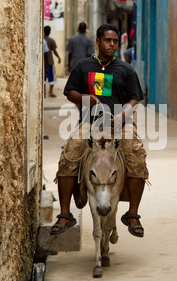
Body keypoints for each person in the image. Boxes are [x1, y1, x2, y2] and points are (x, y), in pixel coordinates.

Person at [50, 23, 149, 238]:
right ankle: (65, 214)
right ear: (97, 42)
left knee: (137, 157)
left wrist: (123, 115)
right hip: (89, 123)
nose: (112, 44)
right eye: (107, 40)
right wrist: (85, 98)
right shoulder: (83, 66)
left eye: (115, 41)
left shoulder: (126, 69)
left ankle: (132, 214)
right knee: (69, 155)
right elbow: (70, 92)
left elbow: (135, 99)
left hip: (120, 124)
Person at [44, 25, 61, 98]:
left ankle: (44, 92)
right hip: (50, 61)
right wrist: (58, 57)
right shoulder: (51, 40)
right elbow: (54, 51)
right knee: (52, 78)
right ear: (50, 31)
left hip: (43, 62)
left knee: (43, 78)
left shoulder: (42, 40)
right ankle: (50, 91)